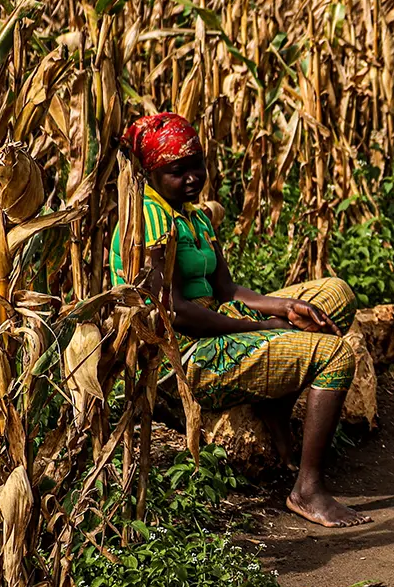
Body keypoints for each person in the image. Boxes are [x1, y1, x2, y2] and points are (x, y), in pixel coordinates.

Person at [113, 112, 370, 528]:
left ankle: (275, 412)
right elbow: (174, 312)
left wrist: (285, 308)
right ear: (150, 173)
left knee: (334, 295)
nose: (193, 178)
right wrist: (263, 329)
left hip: (217, 319)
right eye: (177, 171)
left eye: (197, 165)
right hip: (185, 356)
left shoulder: (193, 214)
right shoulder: (149, 218)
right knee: (335, 355)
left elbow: (229, 291)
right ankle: (307, 490)